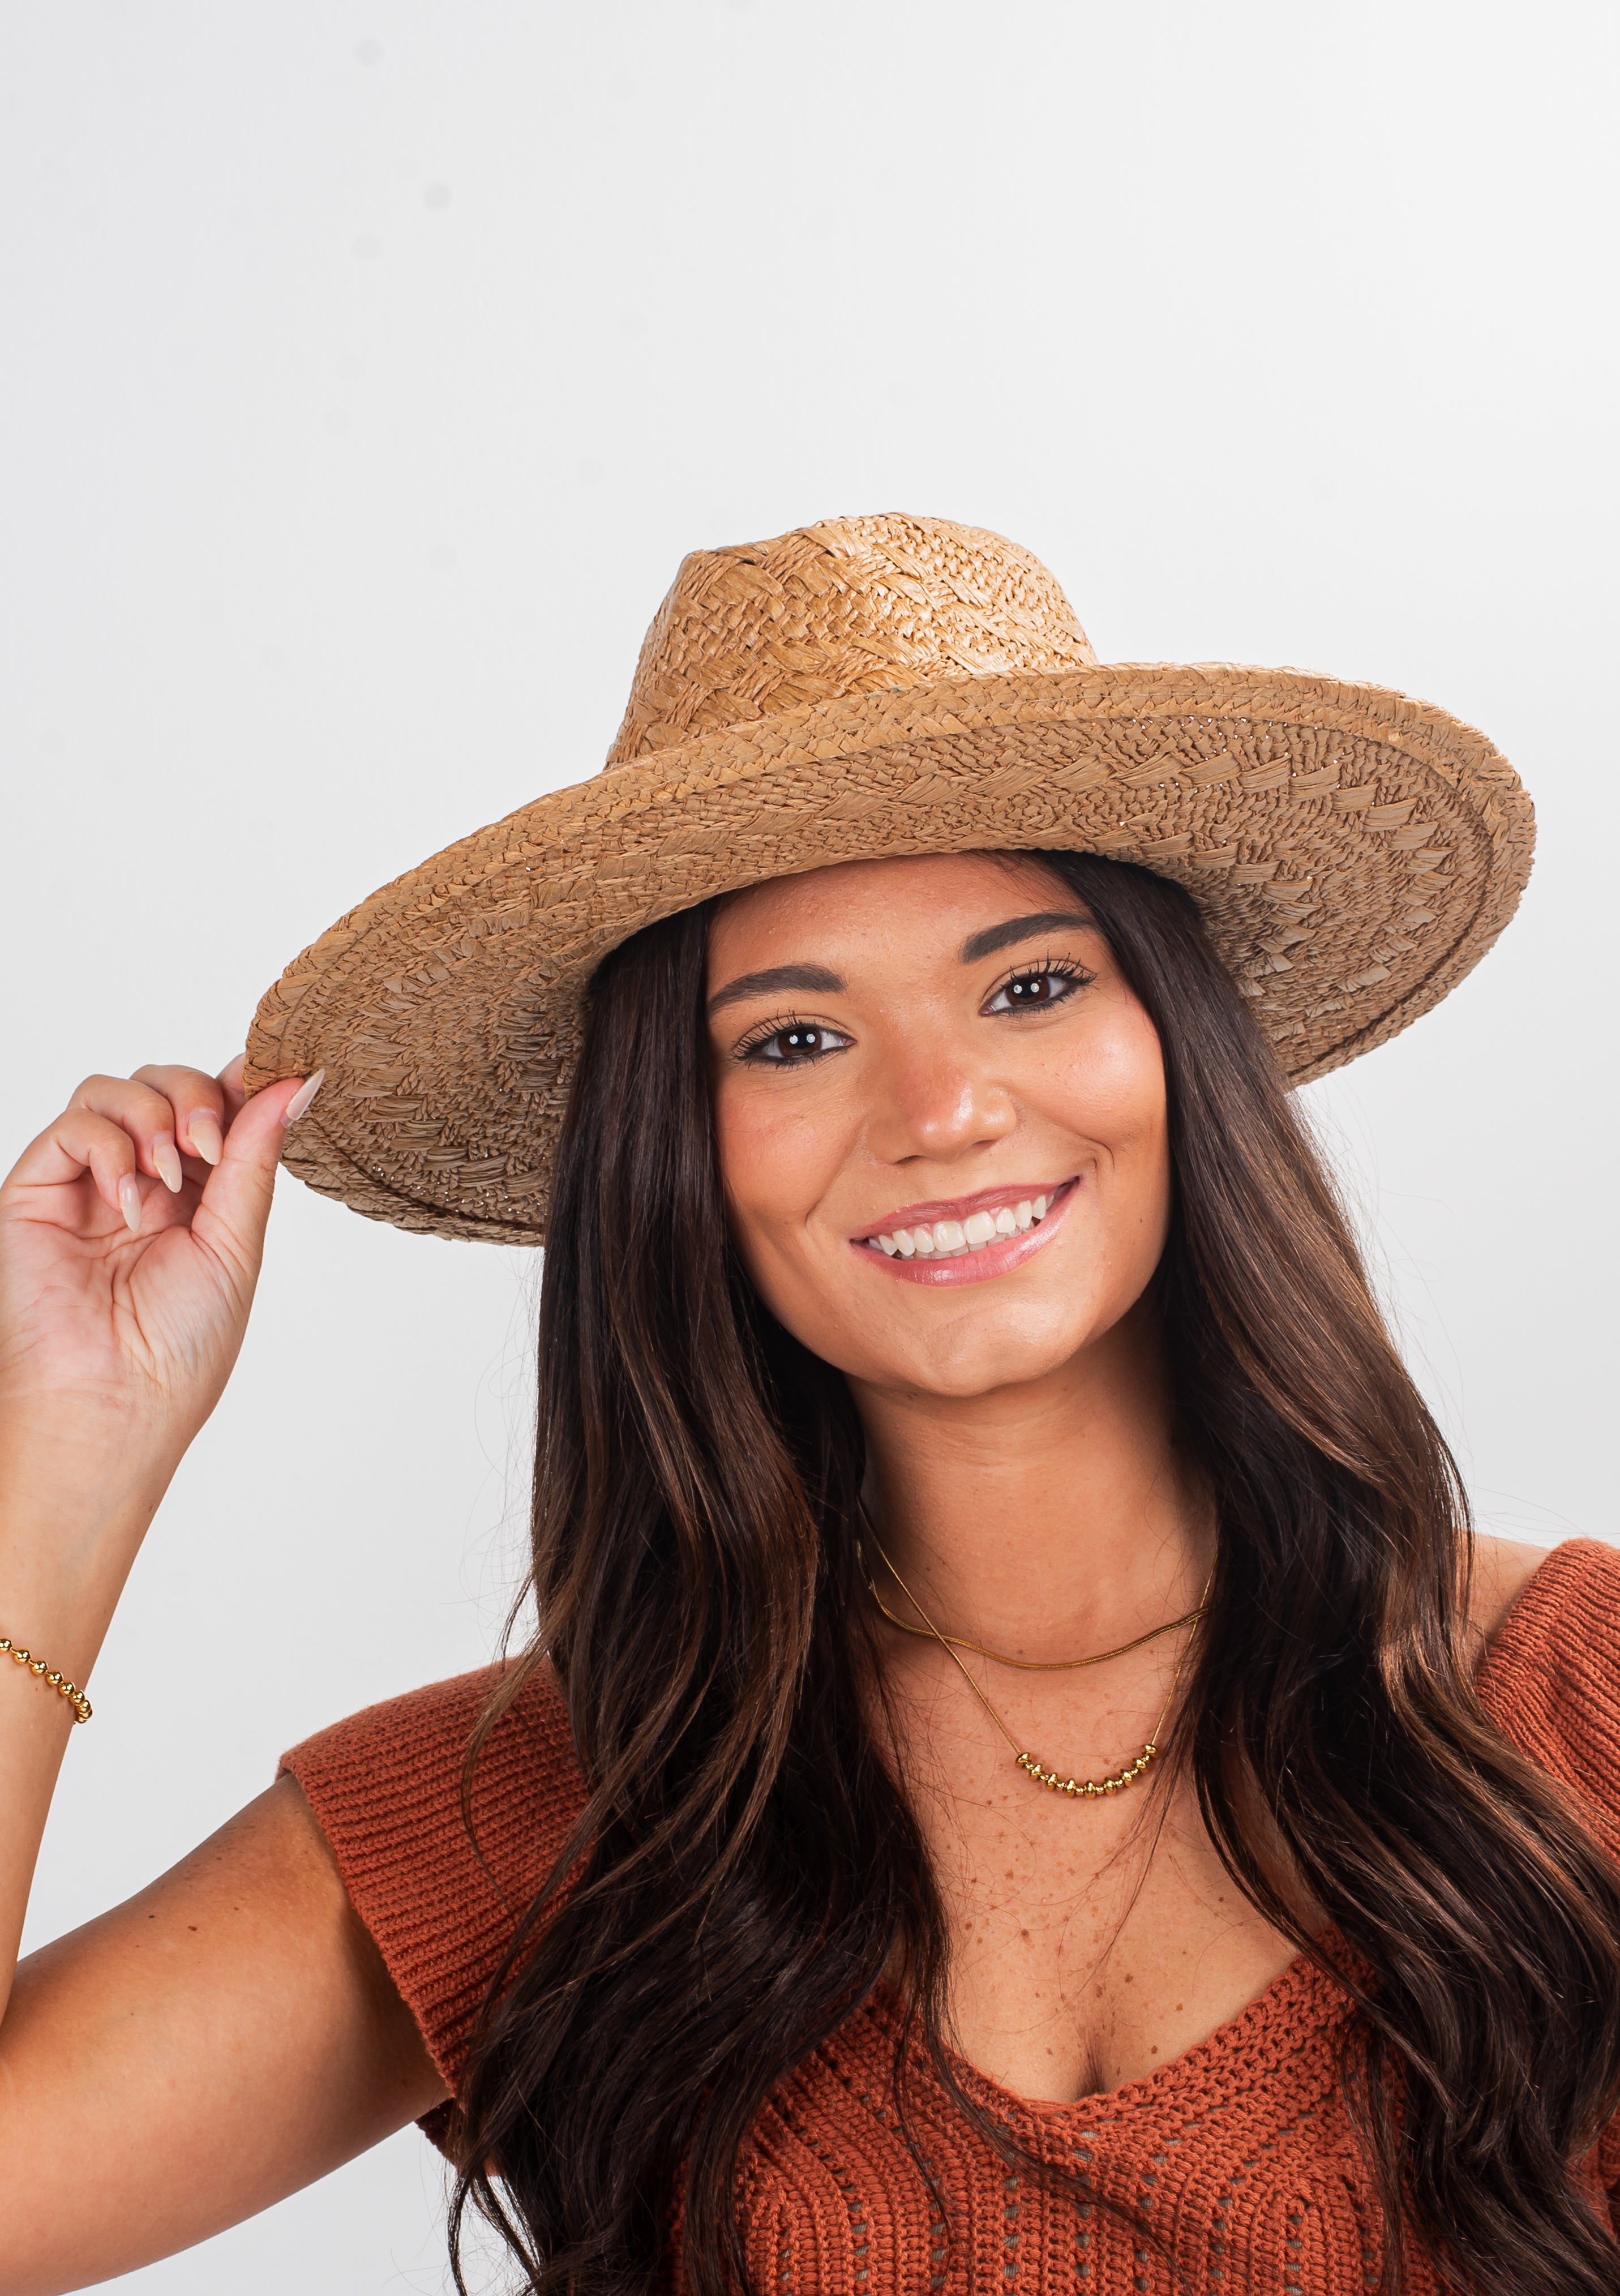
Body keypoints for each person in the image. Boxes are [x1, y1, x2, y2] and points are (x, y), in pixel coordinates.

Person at [0, 514, 1615, 2296]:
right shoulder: (544, 1803)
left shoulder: (1576, 1701)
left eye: (1031, 984)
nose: (938, 1108)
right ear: (673, 1153)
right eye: (791, 1037)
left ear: (1179, 1041)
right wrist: (66, 1448)